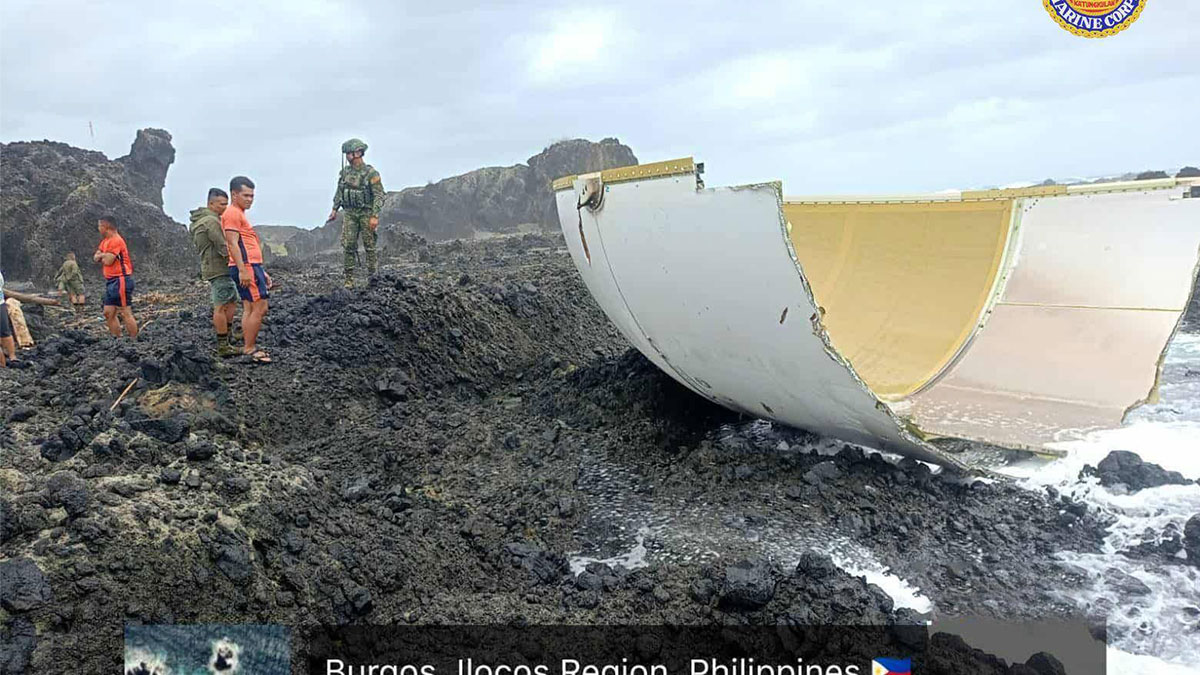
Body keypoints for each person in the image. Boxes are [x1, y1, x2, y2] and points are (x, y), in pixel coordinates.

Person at [222, 175, 272, 363]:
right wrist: (243, 270)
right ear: (234, 194)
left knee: (250, 307)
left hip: (251, 266)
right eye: (246, 195)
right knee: (260, 307)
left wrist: (261, 270)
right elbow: (233, 244)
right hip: (246, 267)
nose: (250, 199)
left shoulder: (238, 214)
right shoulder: (233, 214)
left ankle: (248, 346)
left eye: (252, 196)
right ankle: (250, 349)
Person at [327, 138, 385, 288]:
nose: (347, 156)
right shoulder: (345, 173)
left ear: (358, 153)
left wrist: (374, 215)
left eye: (349, 153)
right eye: (346, 153)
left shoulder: (371, 173)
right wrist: (334, 209)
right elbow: (340, 191)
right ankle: (349, 280)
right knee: (348, 245)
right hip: (350, 214)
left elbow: (379, 195)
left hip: (366, 213)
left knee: (369, 246)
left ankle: (373, 278)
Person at [190, 188, 239, 357]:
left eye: (226, 204)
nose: (225, 207)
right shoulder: (211, 221)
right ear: (211, 203)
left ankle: (229, 335)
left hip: (213, 267)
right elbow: (223, 246)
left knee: (231, 300)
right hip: (219, 268)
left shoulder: (201, 220)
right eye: (222, 204)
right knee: (221, 305)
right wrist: (238, 264)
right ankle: (223, 345)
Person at [93, 215, 138, 339]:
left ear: (106, 226)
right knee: (108, 312)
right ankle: (117, 339)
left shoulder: (116, 240)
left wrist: (102, 256)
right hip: (110, 281)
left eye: (99, 226)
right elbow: (95, 257)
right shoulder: (105, 241)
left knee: (125, 312)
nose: (98, 228)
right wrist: (103, 255)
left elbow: (108, 261)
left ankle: (134, 340)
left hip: (121, 279)